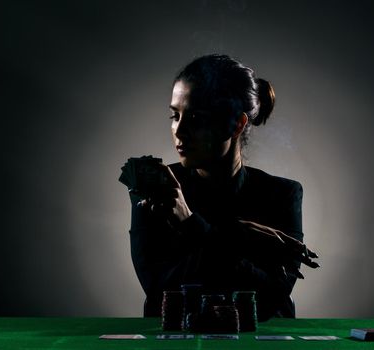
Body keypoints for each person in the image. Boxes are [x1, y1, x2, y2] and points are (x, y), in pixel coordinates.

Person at [122, 54, 319, 321]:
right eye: (175, 115)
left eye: (195, 117)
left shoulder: (282, 195)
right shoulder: (156, 190)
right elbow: (160, 294)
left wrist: (192, 225)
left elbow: (270, 300)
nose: (179, 131)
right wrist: (239, 234)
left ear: (237, 124)